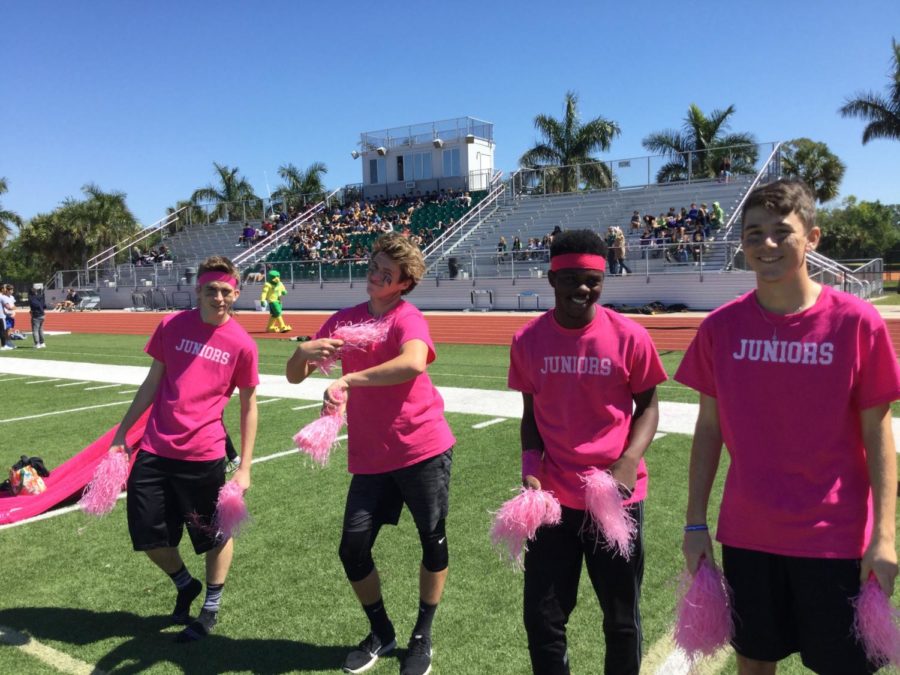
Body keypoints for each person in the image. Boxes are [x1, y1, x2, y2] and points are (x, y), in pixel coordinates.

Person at [675, 179, 899, 674]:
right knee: (754, 663)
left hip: (835, 538)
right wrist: (695, 524)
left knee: (844, 667)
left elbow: (878, 436)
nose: (767, 245)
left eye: (782, 232)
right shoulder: (720, 327)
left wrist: (884, 534)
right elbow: (708, 430)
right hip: (749, 535)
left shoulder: (857, 323)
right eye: (754, 234)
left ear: (812, 238)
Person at [286, 232, 455, 675]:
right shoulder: (344, 319)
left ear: (403, 283)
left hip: (421, 446)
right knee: (352, 548)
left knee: (432, 541)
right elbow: (294, 376)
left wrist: (347, 380)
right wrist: (301, 352)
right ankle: (382, 631)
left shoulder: (407, 317)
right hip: (371, 457)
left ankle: (423, 635)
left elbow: (413, 362)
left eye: (387, 273)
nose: (376, 276)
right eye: (375, 266)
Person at [508, 229, 666, 675]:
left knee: (620, 620)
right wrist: (530, 468)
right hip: (553, 502)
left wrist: (629, 459)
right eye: (573, 279)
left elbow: (649, 405)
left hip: (616, 498)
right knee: (543, 617)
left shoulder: (630, 335)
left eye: (593, 280)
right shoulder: (527, 340)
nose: (583, 289)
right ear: (552, 279)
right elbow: (530, 414)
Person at [108, 255, 259, 642]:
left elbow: (248, 406)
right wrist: (123, 431)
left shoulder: (242, 344)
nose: (219, 298)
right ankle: (184, 583)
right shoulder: (171, 325)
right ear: (199, 290)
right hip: (156, 448)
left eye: (227, 291)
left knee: (214, 535)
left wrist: (244, 467)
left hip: (203, 454)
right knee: (147, 535)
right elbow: (152, 381)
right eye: (212, 290)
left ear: (237, 292)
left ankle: (210, 606)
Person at [28, 285, 47, 349]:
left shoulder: (32, 298)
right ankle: (42, 343)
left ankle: (37, 343)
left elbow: (35, 305)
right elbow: (44, 305)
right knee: (41, 329)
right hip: (42, 314)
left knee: (35, 330)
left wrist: (32, 311)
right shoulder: (41, 296)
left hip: (36, 315)